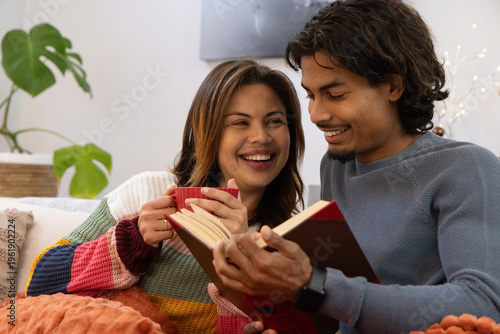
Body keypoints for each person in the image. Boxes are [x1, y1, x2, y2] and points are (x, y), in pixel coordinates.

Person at [212, 1, 500, 333]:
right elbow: (338, 310)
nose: (317, 115)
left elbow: (482, 305)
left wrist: (313, 283)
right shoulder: (337, 167)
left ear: (393, 86)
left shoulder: (466, 168)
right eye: (311, 95)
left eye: (335, 94)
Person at [25, 59, 305, 334]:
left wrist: (238, 265)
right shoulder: (148, 193)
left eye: (275, 121)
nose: (261, 136)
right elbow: (40, 280)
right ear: (209, 133)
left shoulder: (284, 244)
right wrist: (131, 242)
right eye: (240, 122)